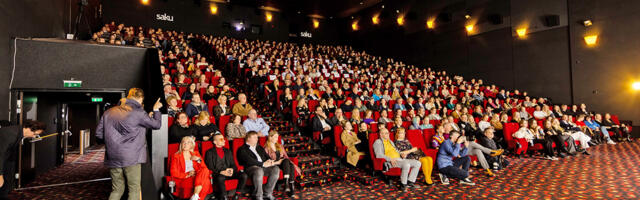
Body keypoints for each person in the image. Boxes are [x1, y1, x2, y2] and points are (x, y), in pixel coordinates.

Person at [96, 88, 162, 200]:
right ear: (141, 98)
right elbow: (156, 125)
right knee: (134, 189)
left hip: (113, 156)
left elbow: (99, 135)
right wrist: (156, 110)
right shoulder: (139, 112)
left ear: (129, 96)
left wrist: (113, 143)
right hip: (132, 157)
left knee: (117, 190)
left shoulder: (108, 112)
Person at [0, 120, 46, 198]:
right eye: (34, 134)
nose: (34, 136)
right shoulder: (11, 134)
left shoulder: (19, 132)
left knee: (5, 183)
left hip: (5, 160)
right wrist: (0, 174)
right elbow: (0, 154)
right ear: (28, 128)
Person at [236, 131, 280, 200]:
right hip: (250, 168)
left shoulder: (259, 147)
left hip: (262, 166)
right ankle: (258, 196)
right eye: (254, 137)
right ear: (248, 139)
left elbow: (266, 156)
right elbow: (249, 161)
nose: (257, 139)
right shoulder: (242, 149)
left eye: (257, 137)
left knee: (275, 169)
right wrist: (262, 164)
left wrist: (269, 160)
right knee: (258, 170)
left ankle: (267, 193)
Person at [205, 133, 247, 200]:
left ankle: (237, 194)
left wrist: (232, 169)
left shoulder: (228, 151)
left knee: (244, 175)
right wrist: (221, 172)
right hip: (218, 174)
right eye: (221, 139)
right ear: (215, 142)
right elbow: (210, 167)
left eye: (224, 139)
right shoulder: (209, 152)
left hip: (229, 172)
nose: (224, 141)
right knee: (220, 178)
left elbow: (233, 165)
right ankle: (224, 197)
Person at [263, 131, 301, 197]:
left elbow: (286, 156)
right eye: (275, 137)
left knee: (288, 162)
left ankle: (287, 184)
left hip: (283, 163)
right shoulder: (266, 148)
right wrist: (277, 162)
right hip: (274, 164)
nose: (277, 139)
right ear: (270, 137)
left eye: (277, 137)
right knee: (288, 163)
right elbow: (267, 160)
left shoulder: (279, 146)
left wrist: (286, 160)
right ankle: (291, 189)